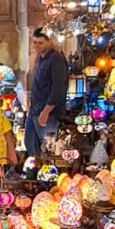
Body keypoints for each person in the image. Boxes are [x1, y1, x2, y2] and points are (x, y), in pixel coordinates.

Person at [24, 28, 70, 157]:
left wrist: (46, 112)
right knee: (30, 143)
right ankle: (33, 172)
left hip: (49, 113)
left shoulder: (56, 58)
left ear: (49, 42)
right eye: (35, 42)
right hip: (35, 109)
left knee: (49, 147)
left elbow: (58, 88)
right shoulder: (40, 58)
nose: (37, 46)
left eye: (40, 43)